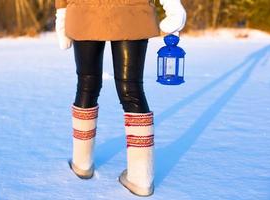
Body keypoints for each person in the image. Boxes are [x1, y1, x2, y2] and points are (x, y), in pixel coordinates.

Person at [55, 0, 186, 196]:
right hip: (132, 12)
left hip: (84, 12)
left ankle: (82, 164)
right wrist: (173, 5)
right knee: (131, 89)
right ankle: (141, 178)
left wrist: (62, 15)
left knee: (86, 85)